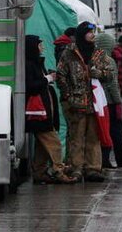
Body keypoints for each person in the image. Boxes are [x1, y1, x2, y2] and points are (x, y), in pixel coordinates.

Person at [57, 21, 113, 182]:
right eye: (89, 32)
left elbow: (110, 74)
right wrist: (68, 95)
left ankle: (93, 168)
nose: (92, 35)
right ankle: (76, 169)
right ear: (82, 34)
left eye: (93, 32)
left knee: (93, 137)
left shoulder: (99, 53)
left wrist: (99, 73)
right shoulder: (69, 53)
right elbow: (61, 75)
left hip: (95, 103)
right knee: (76, 137)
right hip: (76, 103)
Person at [25, 35, 75, 184]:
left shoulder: (35, 63)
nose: (42, 47)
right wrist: (48, 79)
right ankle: (58, 171)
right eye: (40, 45)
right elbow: (31, 87)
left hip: (42, 113)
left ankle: (39, 172)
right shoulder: (29, 65)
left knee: (41, 146)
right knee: (54, 143)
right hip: (38, 114)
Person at [95, 33, 122, 169]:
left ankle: (104, 159)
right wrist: (118, 100)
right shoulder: (109, 60)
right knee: (117, 131)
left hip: (99, 101)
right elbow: (113, 84)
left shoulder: (94, 59)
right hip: (111, 102)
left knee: (102, 131)